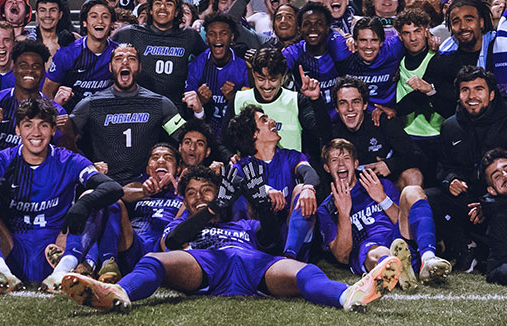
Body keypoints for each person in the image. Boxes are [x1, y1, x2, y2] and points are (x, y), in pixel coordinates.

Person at [60, 165, 402, 313]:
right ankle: (119, 294)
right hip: (204, 262)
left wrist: (262, 205)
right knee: (155, 262)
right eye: (191, 192)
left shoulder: (242, 223)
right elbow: (174, 242)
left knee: (303, 271)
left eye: (205, 190)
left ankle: (348, 296)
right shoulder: (180, 221)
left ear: (218, 193)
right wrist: (209, 210)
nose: (198, 196)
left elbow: (268, 239)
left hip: (253, 263)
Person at [0, 97, 123, 293]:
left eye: (44, 125)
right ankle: (0, 273)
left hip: (54, 252)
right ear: (17, 130)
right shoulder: (1, 160)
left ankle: (62, 274)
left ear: (53, 130)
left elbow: (113, 188)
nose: (36, 133)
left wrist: (83, 204)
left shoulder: (69, 160)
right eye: (28, 125)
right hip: (12, 251)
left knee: (93, 196)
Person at [43, 143, 185, 288]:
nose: (161, 160)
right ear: (148, 168)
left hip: (157, 252)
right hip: (129, 245)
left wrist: (183, 191)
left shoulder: (186, 192)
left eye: (168, 158)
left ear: (178, 168)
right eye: (155, 157)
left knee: (105, 201)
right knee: (106, 199)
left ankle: (83, 265)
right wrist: (144, 192)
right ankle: (102, 266)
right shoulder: (137, 185)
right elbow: (121, 193)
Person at [318, 139, 450, 289]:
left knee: (412, 191)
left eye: (346, 158)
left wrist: (382, 199)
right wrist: (343, 213)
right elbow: (342, 256)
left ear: (355, 164)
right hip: (369, 249)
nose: (341, 164)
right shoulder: (326, 209)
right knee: (379, 251)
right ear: (327, 168)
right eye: (334, 160)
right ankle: (394, 269)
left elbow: (403, 220)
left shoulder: (379, 184)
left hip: (399, 240)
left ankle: (428, 258)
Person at [427, 66, 507, 271]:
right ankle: (464, 246)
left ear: (491, 94)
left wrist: (490, 204)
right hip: (468, 197)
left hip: (502, 200)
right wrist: (451, 181)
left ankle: (490, 252)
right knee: (428, 197)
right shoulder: (450, 126)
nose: (471, 96)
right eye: (465, 90)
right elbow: (444, 167)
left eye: (478, 89)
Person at [70, 44, 188, 186]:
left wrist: (185, 169)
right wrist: (88, 166)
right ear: (110, 67)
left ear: (139, 67)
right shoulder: (90, 104)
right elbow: (64, 141)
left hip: (149, 185)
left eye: (131, 59)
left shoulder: (160, 104)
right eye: (119, 58)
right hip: (105, 185)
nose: (125, 62)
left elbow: (185, 141)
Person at [227, 105, 319, 261]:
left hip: (288, 236)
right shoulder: (241, 166)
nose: (272, 121)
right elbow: (232, 180)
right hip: (257, 240)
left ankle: (290, 258)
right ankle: (247, 253)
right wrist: (264, 190)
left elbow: (309, 173)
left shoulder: (291, 157)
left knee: (301, 188)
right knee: (241, 192)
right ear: (253, 134)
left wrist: (309, 188)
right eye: (264, 120)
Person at [0, 40, 68, 164]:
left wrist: (67, 134)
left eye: (36, 67)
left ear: (43, 72)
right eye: (23, 66)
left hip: (40, 174)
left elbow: (68, 161)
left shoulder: (56, 111)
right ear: (14, 69)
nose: (30, 71)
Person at [112, 0, 206, 110]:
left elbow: (207, 60)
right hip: (138, 107)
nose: (163, 7)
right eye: (158, 3)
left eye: (169, 4)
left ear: (177, 12)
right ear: (150, 10)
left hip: (175, 107)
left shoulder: (189, 35)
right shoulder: (130, 33)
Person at [394, 9, 457, 187]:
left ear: (427, 31)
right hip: (407, 137)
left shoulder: (439, 59)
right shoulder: (397, 61)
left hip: (435, 137)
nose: (413, 38)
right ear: (400, 36)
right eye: (407, 33)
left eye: (417, 31)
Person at [227, 47, 330, 155]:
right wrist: (229, 157)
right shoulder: (238, 99)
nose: (266, 86)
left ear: (283, 76)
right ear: (253, 74)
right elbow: (225, 143)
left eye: (273, 80)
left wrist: (315, 100)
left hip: (291, 170)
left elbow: (324, 134)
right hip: (251, 171)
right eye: (261, 79)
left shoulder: (297, 101)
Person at [331, 77, 425, 189]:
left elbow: (419, 156)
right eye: (343, 103)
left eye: (356, 102)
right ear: (336, 108)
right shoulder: (333, 133)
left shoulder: (381, 122)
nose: (350, 108)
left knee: (413, 175)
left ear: (365, 105)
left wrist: (390, 165)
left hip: (387, 187)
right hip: (352, 191)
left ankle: (413, 207)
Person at [42, 0, 117, 113]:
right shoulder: (68, 53)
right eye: (94, 16)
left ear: (111, 24)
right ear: (84, 23)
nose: (100, 21)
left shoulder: (118, 54)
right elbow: (47, 91)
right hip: (71, 117)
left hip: (105, 117)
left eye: (105, 16)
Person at [186, 13, 248, 142]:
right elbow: (188, 105)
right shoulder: (197, 65)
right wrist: (200, 102)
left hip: (235, 134)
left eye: (223, 33)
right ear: (206, 37)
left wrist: (234, 98)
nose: (217, 38)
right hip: (206, 131)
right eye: (212, 34)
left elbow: (250, 108)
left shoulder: (243, 67)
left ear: (231, 37)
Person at [283, 2, 349, 117]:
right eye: (307, 24)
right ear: (299, 29)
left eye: (319, 24)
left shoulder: (339, 48)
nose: (313, 28)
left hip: (341, 119)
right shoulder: (293, 53)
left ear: (328, 28)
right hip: (309, 120)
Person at [335, 17, 404, 109]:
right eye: (363, 40)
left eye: (374, 40)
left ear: (381, 42)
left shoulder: (393, 50)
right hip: (353, 115)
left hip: (387, 114)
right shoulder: (343, 53)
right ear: (355, 41)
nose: (368, 46)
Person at [472, 148, 507, 285]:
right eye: (497, 176)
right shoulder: (501, 217)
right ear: (492, 190)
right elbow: (496, 270)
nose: (506, 175)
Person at [30, 0, 76, 68]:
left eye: (53, 10)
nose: (47, 15)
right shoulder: (26, 42)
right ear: (37, 15)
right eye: (42, 10)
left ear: (60, 15)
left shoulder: (73, 40)